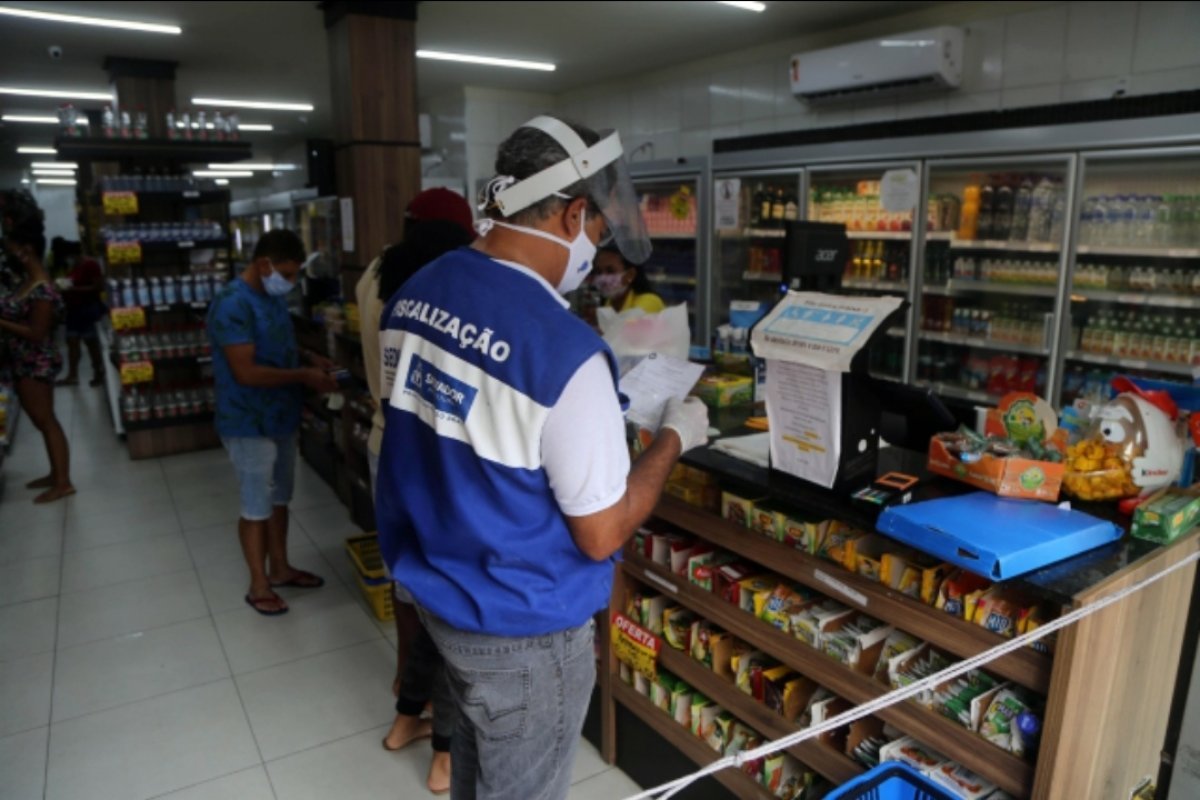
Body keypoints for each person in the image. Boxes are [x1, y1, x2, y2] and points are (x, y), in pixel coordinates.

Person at [375, 115, 710, 800]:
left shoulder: (415, 295)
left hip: (442, 603)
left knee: (476, 781)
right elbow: (603, 531)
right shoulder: (564, 353)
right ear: (574, 214)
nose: (596, 246)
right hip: (523, 630)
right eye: (595, 228)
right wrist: (676, 437)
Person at [355, 188, 474, 795]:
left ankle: (407, 714)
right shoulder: (446, 284)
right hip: (433, 456)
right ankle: (446, 756)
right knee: (452, 603)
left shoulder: (376, 272)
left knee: (412, 586)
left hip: (386, 446)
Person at [207, 229, 339, 616]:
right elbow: (245, 371)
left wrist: (309, 359)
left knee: (280, 496)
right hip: (248, 419)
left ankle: (280, 568)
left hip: (281, 413)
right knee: (255, 503)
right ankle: (258, 583)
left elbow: (277, 344)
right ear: (263, 264)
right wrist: (302, 376)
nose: (291, 281)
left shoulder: (270, 298)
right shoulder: (232, 303)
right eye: (287, 273)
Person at [0, 209, 74, 503]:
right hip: (23, 360)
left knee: (46, 420)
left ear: (26, 250)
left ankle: (64, 481)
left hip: (35, 362)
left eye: (12, 249)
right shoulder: (28, 283)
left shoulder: (42, 289)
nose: (8, 254)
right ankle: (55, 472)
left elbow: (36, 333)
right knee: (41, 420)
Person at [58, 245, 106, 387]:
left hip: (87, 309)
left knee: (90, 343)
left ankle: (98, 372)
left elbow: (98, 287)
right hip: (74, 310)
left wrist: (74, 289)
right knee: (72, 342)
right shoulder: (74, 267)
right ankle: (72, 375)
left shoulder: (91, 264)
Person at [591, 244, 664, 313]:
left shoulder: (650, 302)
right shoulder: (607, 304)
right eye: (599, 272)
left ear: (630, 275)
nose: (603, 278)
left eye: (610, 271)